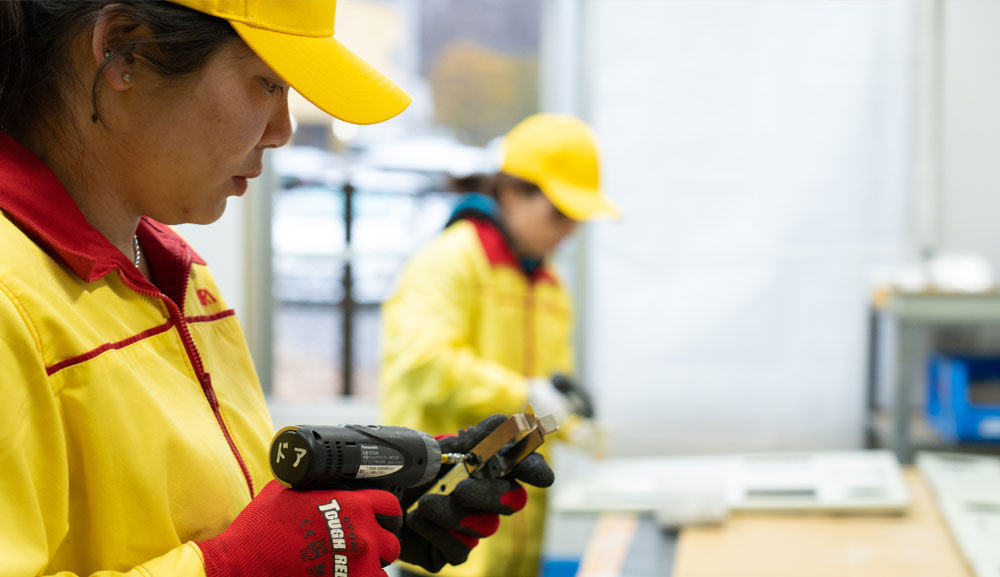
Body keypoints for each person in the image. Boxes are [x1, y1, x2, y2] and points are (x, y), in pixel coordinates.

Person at [0, 1, 552, 576]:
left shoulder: (179, 279)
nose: (283, 130)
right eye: (266, 83)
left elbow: (212, 507)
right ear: (125, 48)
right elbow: (238, 555)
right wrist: (246, 566)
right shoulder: (12, 300)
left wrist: (380, 507)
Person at [379, 113, 620, 577]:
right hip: (441, 523)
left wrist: (574, 426)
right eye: (559, 213)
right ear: (510, 192)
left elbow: (545, 395)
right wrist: (522, 394)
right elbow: (423, 365)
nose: (568, 230)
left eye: (578, 218)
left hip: (514, 522)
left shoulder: (550, 283)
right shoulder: (451, 261)